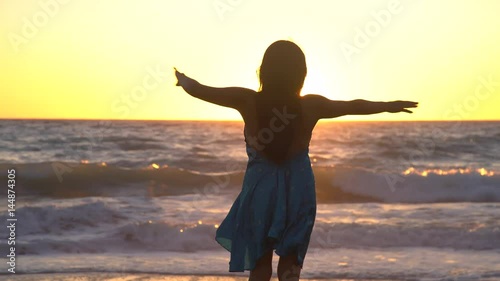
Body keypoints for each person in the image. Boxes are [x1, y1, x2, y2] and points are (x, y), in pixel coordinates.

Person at [174, 40, 417, 281]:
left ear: (264, 71)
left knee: (260, 264)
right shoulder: (311, 105)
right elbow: (353, 106)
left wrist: (183, 79)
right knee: (291, 266)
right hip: (298, 190)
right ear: (301, 74)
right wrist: (388, 106)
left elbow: (200, 90)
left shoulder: (248, 100)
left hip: (260, 191)